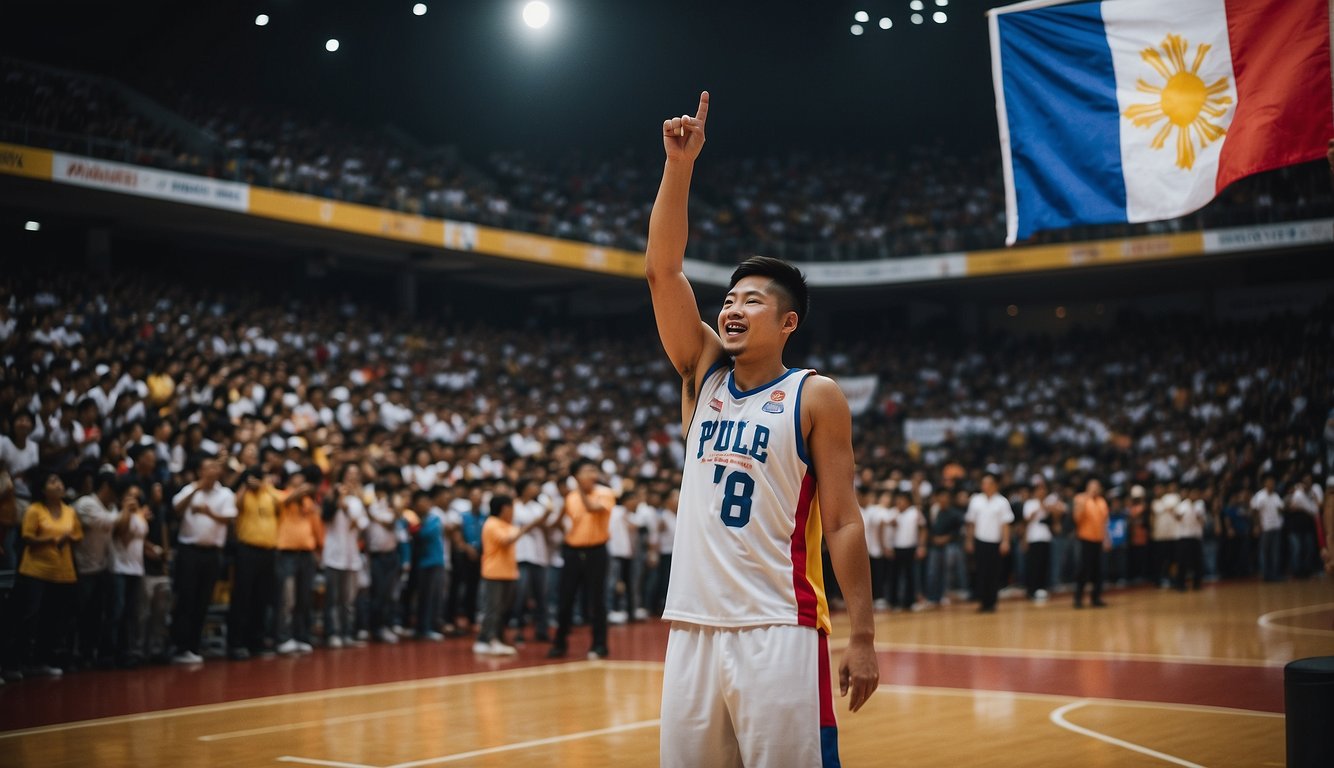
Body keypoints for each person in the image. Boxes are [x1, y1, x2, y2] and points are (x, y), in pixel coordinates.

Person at [645, 91, 877, 767]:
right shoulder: (702, 375)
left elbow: (842, 521)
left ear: (788, 323)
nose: (733, 308)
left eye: (752, 300)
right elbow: (663, 271)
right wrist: (679, 166)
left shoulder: (815, 396)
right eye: (729, 299)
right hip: (691, 627)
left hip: (780, 627)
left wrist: (861, 635)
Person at [2, 468, 82, 681]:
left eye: (59, 481)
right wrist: (51, 540)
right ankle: (15, 662)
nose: (58, 484)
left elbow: (77, 535)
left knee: (52, 619)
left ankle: (41, 661)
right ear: (42, 489)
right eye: (52, 480)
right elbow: (27, 538)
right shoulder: (34, 510)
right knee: (28, 617)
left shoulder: (70, 511)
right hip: (35, 571)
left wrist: (68, 539)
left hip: (62, 572)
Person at [547, 458, 616, 660]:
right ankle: (559, 643)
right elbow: (561, 522)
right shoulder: (570, 498)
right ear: (576, 476)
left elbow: (593, 509)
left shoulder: (605, 493)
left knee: (597, 600)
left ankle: (599, 645)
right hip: (572, 551)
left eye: (594, 470)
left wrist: (579, 490)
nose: (592, 474)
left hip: (597, 551)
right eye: (587, 470)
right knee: (566, 598)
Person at [170, 457, 237, 663]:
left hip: (212, 553)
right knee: (186, 598)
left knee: (203, 600)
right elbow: (176, 509)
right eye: (208, 467)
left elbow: (229, 518)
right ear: (200, 470)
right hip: (189, 551)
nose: (212, 471)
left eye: (215, 467)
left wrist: (209, 511)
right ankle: (179, 647)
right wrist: (196, 489)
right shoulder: (190, 490)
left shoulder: (225, 493)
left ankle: (194, 647)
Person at [474, 493, 547, 655]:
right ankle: (484, 640)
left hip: (508, 573)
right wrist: (529, 526)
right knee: (492, 609)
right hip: (494, 573)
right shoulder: (492, 524)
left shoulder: (506, 524)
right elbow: (508, 540)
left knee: (502, 610)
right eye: (511, 508)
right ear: (504, 508)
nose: (513, 512)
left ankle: (496, 639)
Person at [229, 468, 281, 660]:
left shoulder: (268, 494)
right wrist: (244, 485)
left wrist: (266, 485)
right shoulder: (245, 494)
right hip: (247, 550)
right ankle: (236, 643)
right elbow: (235, 505)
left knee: (262, 598)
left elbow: (280, 502)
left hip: (268, 551)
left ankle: (256, 641)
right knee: (243, 597)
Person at [966, 474, 1013, 613]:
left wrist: (1005, 541)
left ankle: (992, 602)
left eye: (988, 483)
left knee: (994, 572)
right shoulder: (976, 500)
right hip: (980, 541)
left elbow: (1005, 524)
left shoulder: (1002, 502)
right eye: (983, 483)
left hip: (995, 542)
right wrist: (969, 541)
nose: (985, 486)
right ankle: (983, 601)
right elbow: (971, 523)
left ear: (995, 485)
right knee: (981, 572)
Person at [1073, 478, 1110, 608]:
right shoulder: (1080, 499)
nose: (1095, 489)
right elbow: (1077, 518)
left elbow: (1104, 522)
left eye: (1097, 486)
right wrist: (1085, 501)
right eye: (1092, 486)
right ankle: (1078, 599)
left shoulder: (1102, 501)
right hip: (1085, 539)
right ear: (1087, 487)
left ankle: (1096, 598)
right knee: (1083, 570)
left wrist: (1107, 538)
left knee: (1098, 571)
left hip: (1099, 540)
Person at [1023, 477, 1053, 600]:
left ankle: (1042, 589)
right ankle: (1031, 590)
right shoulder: (1029, 503)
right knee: (1033, 565)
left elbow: (1053, 517)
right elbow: (1027, 519)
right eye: (1039, 490)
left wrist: (1044, 505)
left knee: (1044, 564)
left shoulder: (1048, 503)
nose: (1042, 492)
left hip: (1045, 537)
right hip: (1033, 537)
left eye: (1044, 490)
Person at [1250, 475, 1285, 582]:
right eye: (1269, 482)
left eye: (1273, 482)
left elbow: (1281, 509)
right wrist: (1256, 525)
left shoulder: (1276, 496)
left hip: (1276, 527)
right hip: (1265, 528)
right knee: (1264, 552)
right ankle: (1265, 575)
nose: (1271, 484)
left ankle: (1274, 575)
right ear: (1265, 483)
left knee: (1275, 552)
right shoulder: (1260, 496)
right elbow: (1254, 511)